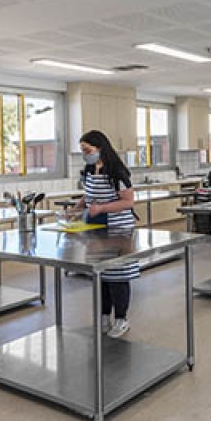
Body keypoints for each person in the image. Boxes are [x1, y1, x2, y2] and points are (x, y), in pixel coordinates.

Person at [68, 130, 138, 338]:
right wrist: (76, 208)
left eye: (87, 150)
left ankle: (121, 319)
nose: (85, 154)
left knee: (117, 276)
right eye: (82, 151)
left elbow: (128, 202)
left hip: (118, 229)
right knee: (100, 275)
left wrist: (101, 209)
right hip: (95, 229)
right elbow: (88, 194)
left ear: (100, 148)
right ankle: (103, 317)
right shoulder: (90, 169)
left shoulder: (117, 172)